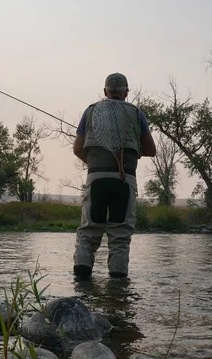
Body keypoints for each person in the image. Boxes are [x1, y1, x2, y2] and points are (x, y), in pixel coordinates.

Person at [72, 72, 156, 279]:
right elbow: (151, 150)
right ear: (126, 92)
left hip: (96, 179)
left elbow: (77, 148)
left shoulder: (91, 111)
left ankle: (80, 286)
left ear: (105, 92)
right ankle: (118, 293)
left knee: (88, 234)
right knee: (119, 237)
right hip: (124, 180)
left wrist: (93, 164)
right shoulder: (136, 113)